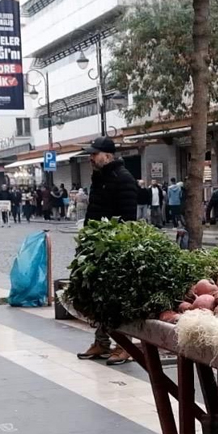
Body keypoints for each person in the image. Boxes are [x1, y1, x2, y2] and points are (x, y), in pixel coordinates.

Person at [79, 136, 139, 366]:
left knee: (117, 299)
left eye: (94, 154)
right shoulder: (99, 177)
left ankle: (124, 346)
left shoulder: (123, 178)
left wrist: (116, 244)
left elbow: (128, 218)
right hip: (96, 245)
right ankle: (101, 342)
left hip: (114, 247)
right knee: (100, 298)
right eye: (90, 154)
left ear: (108, 155)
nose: (91, 158)